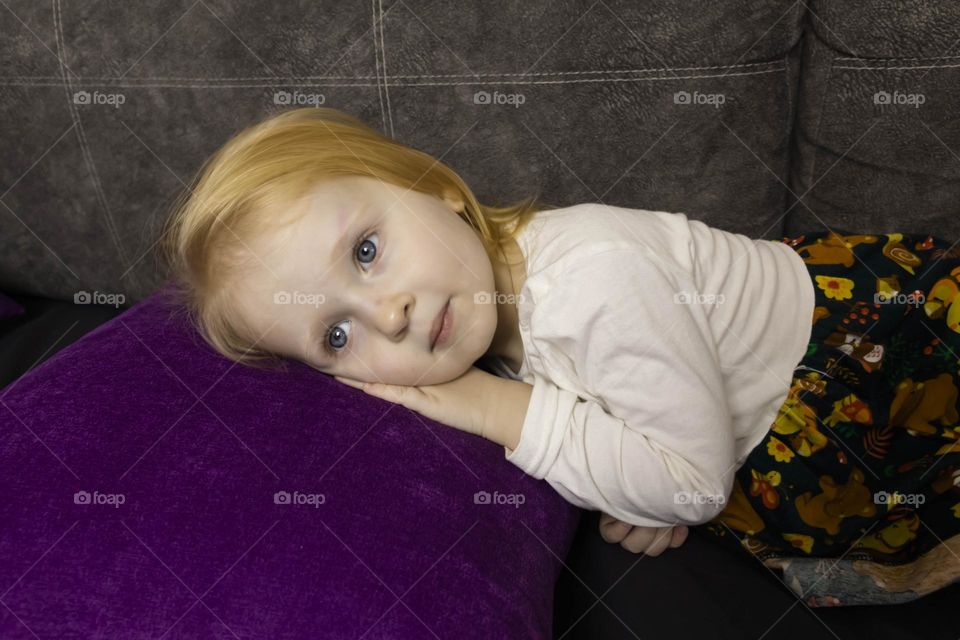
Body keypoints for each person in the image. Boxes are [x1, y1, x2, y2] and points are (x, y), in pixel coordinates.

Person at [160, 106, 960, 606]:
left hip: (885, 358)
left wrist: (504, 411)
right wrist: (639, 473)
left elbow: (692, 483)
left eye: (366, 250)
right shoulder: (476, 309)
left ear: (434, 188)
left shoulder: (594, 278)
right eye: (336, 335)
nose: (388, 313)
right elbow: (639, 433)